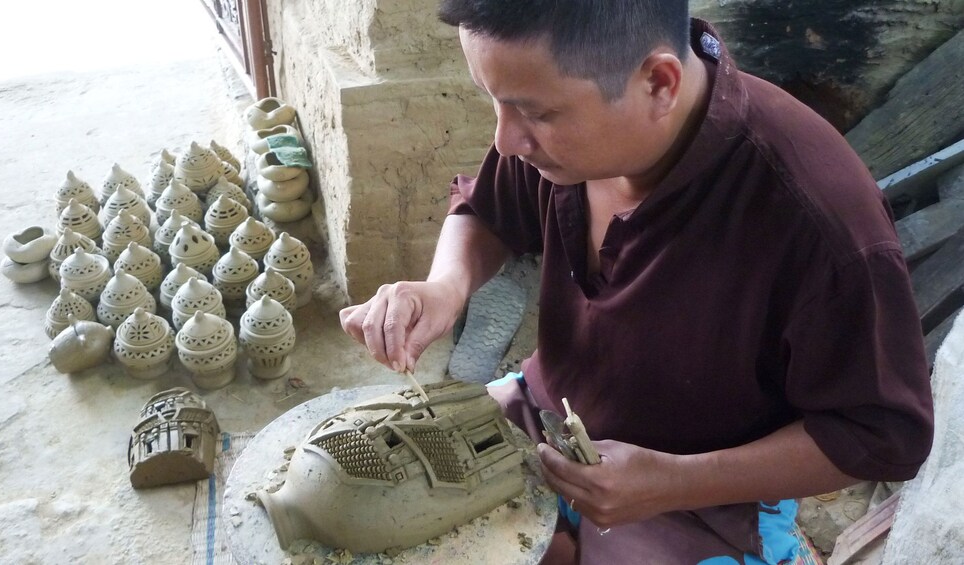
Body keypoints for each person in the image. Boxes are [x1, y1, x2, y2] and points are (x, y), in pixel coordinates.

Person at [340, 1, 935, 563]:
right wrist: (444, 287)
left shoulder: (819, 223)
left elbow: (881, 434)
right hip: (550, 410)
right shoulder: (561, 138)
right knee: (370, 502)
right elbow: (491, 211)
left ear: (659, 84)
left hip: (705, 491)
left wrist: (675, 483)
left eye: (537, 113)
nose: (506, 141)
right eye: (494, 102)